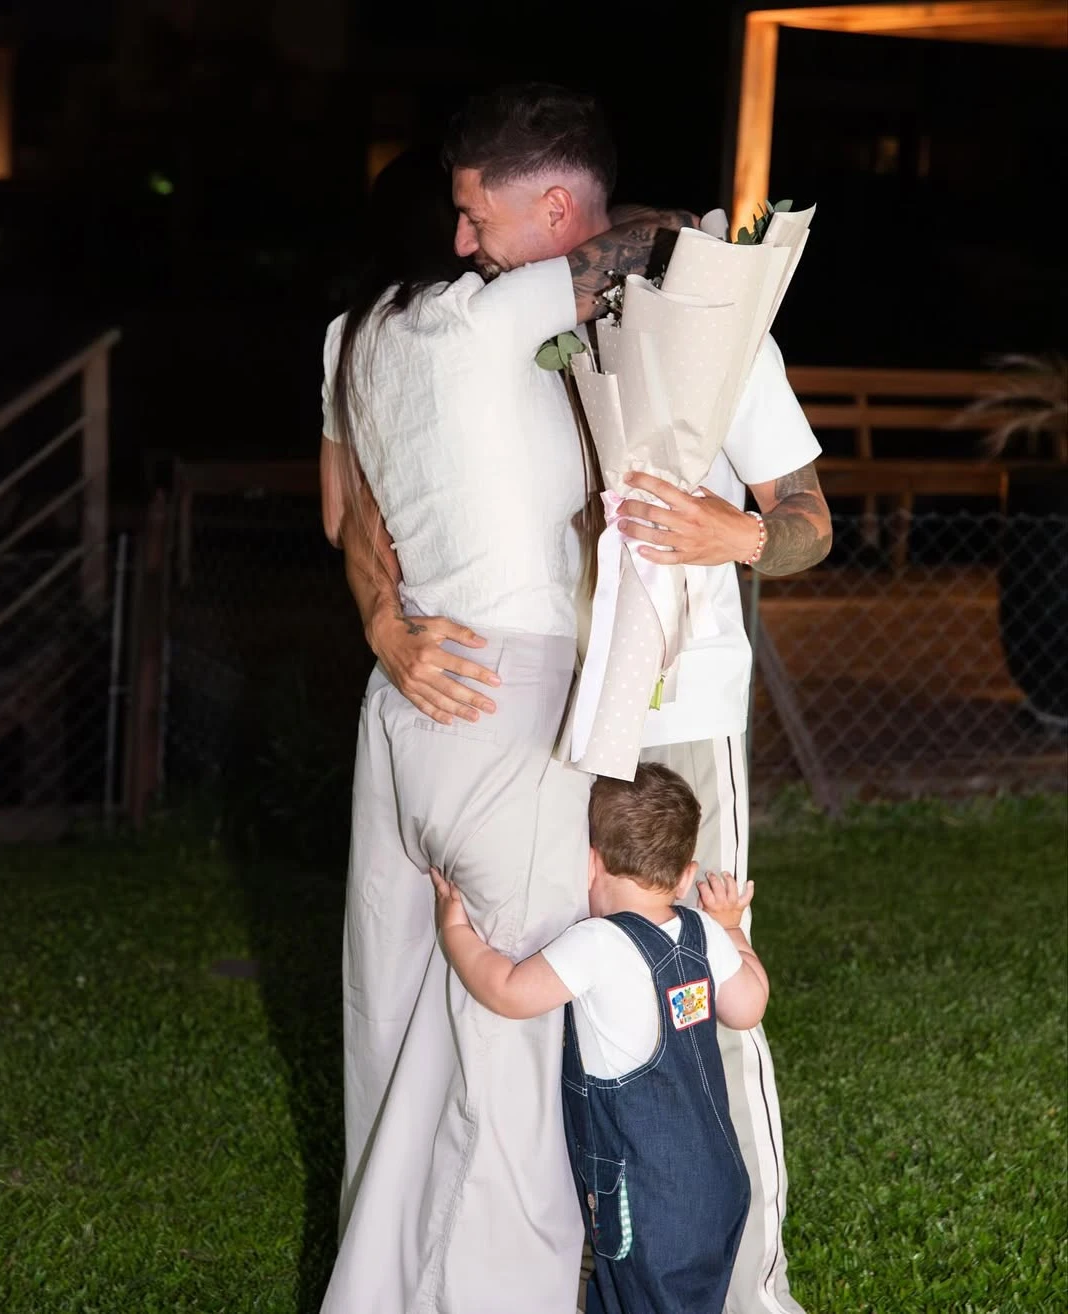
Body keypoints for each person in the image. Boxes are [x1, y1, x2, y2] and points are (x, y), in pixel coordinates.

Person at [330, 83, 831, 1314]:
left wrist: (734, 534)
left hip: (675, 711)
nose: (464, 242)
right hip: (551, 721)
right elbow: (367, 514)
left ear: (557, 212)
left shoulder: (719, 332)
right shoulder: (491, 326)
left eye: (479, 217)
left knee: (698, 1000)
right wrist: (386, 619)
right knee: (561, 1014)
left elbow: (811, 523)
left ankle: (744, 1285)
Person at [317, 138, 695, 1314]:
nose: (472, 239)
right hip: (501, 695)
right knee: (512, 1049)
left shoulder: (355, 338)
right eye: (468, 220)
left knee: (391, 1020)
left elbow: (345, 515)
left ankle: (376, 1287)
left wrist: (385, 625)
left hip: (404, 701)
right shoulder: (486, 320)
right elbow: (673, 238)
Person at [430, 762, 771, 1314]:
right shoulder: (703, 931)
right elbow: (749, 1007)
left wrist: (455, 931)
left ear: (588, 863)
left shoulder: (596, 943)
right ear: (685, 876)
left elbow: (509, 992)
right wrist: (732, 927)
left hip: (647, 1200)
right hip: (719, 1182)